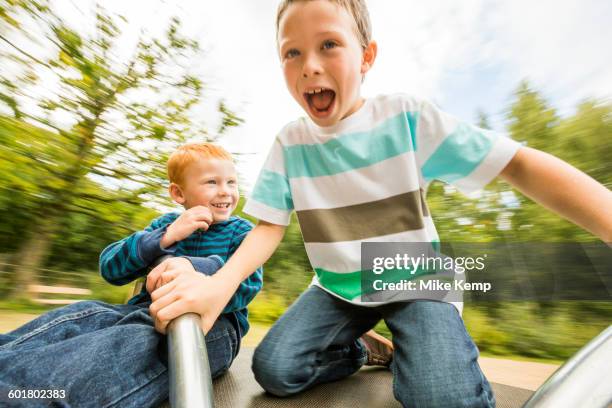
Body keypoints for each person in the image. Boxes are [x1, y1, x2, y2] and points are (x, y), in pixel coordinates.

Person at [135, 1, 612, 407]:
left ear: (366, 57)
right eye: (292, 52)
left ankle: (427, 352)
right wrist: (218, 288)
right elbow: (267, 227)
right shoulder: (290, 142)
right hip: (340, 287)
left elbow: (519, 165)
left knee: (438, 395)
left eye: (329, 45)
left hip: (416, 279)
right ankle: (364, 350)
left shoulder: (405, 117)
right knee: (275, 370)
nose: (310, 66)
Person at [0, 142, 263, 408]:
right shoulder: (165, 225)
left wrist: (194, 266)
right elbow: (110, 267)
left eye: (231, 182)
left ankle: (20, 396)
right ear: (178, 193)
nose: (225, 192)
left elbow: (249, 281)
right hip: (144, 311)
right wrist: (166, 236)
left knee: (128, 345)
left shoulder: (241, 231)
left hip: (209, 327)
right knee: (82, 315)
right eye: (212, 182)